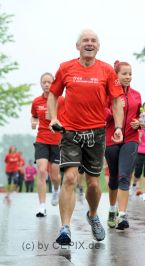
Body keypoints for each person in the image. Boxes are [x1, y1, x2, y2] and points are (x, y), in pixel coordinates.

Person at [47, 29, 124, 245]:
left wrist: (118, 126)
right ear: (77, 46)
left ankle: (92, 215)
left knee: (93, 184)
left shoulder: (107, 70)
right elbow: (54, 94)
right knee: (70, 177)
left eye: (93, 41)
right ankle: (65, 228)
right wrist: (54, 118)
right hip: (70, 131)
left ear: (98, 46)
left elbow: (117, 100)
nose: (89, 43)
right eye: (85, 41)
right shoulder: (66, 68)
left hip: (96, 132)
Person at [105, 60, 141, 230]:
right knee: (113, 176)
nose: (128, 77)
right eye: (124, 74)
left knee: (124, 176)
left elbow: (142, 119)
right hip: (111, 139)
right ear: (116, 76)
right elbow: (101, 114)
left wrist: (139, 123)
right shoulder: (108, 94)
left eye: (130, 74)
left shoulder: (136, 95)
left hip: (131, 139)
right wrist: (114, 111)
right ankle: (112, 210)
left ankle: (122, 215)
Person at [31, 72, 63, 216]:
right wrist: (33, 121)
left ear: (53, 84)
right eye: (44, 82)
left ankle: (56, 190)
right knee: (42, 171)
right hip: (42, 139)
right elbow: (34, 115)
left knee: (55, 176)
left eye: (49, 82)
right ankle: (42, 206)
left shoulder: (61, 100)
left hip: (57, 141)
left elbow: (69, 116)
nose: (46, 84)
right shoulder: (36, 101)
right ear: (41, 84)